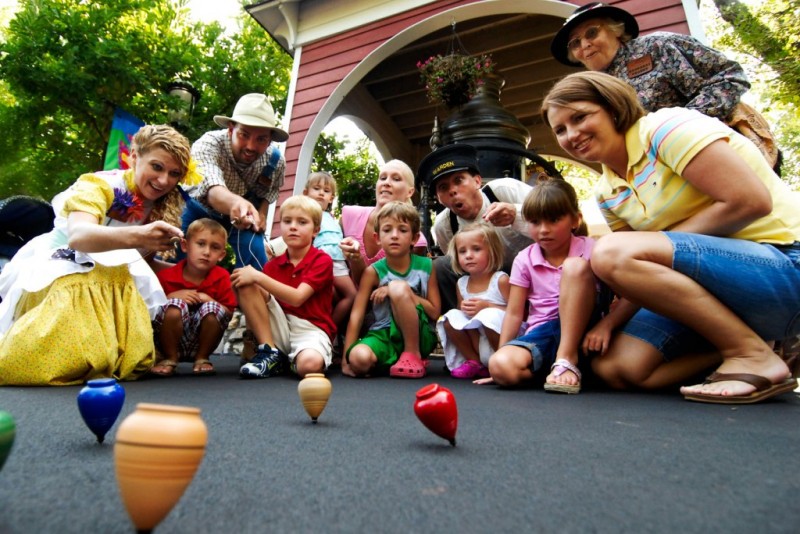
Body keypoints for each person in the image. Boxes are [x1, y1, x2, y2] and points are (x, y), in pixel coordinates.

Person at [540, 71, 800, 403]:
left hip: (785, 263)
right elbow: (638, 272)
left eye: (580, 117)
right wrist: (609, 323)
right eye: (560, 129)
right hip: (719, 298)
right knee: (619, 368)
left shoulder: (664, 129)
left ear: (613, 107)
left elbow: (750, 201)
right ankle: (759, 347)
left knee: (608, 251)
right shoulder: (607, 193)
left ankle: (749, 354)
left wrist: (665, 241)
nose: (571, 134)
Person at [0, 124, 197, 386]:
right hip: (63, 266)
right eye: (157, 167)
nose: (164, 181)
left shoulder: (165, 203)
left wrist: (195, 277)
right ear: (134, 156)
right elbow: (79, 236)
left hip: (116, 279)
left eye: (174, 174)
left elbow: (141, 263)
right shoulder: (100, 184)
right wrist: (141, 236)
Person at [549, 2, 780, 171]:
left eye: (592, 32)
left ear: (616, 30)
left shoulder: (658, 46)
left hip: (725, 157)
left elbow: (729, 76)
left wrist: (680, 124)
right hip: (664, 174)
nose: (585, 44)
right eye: (575, 43)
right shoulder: (592, 91)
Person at [479, 179, 600, 394]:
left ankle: (566, 359)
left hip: (586, 328)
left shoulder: (593, 249)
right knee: (499, 366)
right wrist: (501, 353)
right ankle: (555, 370)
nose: (544, 230)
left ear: (575, 220)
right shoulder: (524, 259)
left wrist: (607, 326)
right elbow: (515, 313)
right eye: (535, 222)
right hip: (543, 334)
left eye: (554, 220)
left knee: (574, 267)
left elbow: (624, 296)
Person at [417, 143, 533, 313]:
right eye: (443, 187)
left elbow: (553, 216)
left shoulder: (505, 190)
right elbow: (457, 263)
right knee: (442, 266)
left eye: (458, 180)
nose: (453, 191)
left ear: (477, 180)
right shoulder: (444, 225)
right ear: (439, 199)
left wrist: (515, 214)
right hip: (486, 278)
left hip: (531, 271)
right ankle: (459, 321)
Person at [231, 195, 335, 379]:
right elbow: (259, 301)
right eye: (287, 221)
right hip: (279, 326)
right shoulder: (272, 266)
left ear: (315, 230)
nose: (293, 226)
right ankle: (269, 352)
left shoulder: (322, 260)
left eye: (302, 222)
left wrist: (258, 276)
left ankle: (289, 361)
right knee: (245, 281)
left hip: (309, 328)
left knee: (309, 366)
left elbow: (297, 298)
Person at [185, 93, 289, 269]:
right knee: (177, 245)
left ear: (270, 139)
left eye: (261, 139)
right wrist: (236, 203)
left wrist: (261, 214)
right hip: (198, 208)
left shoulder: (276, 161)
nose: (250, 146)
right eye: (244, 134)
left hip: (243, 217)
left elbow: (267, 193)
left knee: (256, 252)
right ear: (231, 129)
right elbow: (212, 189)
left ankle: (250, 293)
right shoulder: (208, 144)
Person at [344, 201, 440, 379]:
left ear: (414, 238)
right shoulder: (372, 272)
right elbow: (356, 315)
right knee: (358, 359)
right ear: (377, 238)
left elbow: (434, 312)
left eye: (402, 230)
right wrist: (345, 359)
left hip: (419, 335)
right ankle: (391, 359)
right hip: (383, 333)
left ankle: (412, 354)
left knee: (397, 287)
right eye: (387, 230)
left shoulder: (426, 266)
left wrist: (401, 293)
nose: (394, 236)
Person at [150, 218, 237, 377]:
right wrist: (170, 296)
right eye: (201, 244)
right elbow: (150, 311)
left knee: (212, 308)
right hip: (168, 338)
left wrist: (208, 299)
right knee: (174, 304)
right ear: (185, 245)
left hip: (201, 340)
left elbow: (229, 314)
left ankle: (202, 358)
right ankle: (170, 358)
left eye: (215, 247)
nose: (206, 252)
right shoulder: (166, 277)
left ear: (221, 255)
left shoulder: (222, 277)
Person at [436, 222, 509, 379]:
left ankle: (502, 363)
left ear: (492, 251)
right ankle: (475, 361)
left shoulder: (501, 280)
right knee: (451, 317)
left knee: (488, 316)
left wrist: (488, 306)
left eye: (476, 249)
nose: (468, 255)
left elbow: (520, 315)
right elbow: (462, 319)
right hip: (478, 340)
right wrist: (465, 310)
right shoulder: (462, 283)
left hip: (501, 340)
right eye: (462, 251)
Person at [339, 159, 427, 286]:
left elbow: (390, 287)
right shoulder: (348, 216)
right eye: (383, 178)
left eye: (396, 179)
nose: (386, 183)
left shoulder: (416, 241)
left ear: (410, 192)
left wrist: (357, 260)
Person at [302, 171, 357, 332]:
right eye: (316, 188)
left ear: (331, 198)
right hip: (320, 261)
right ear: (306, 193)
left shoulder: (330, 217)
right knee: (346, 295)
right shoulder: (307, 214)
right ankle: (326, 332)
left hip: (338, 263)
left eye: (326, 191)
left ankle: (327, 330)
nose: (321, 193)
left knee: (347, 296)